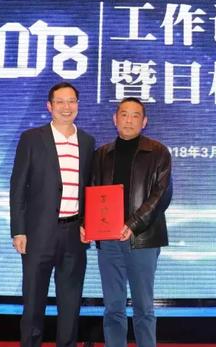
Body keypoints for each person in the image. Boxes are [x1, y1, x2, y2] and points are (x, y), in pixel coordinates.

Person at [10, 82, 95, 347]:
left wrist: (89, 224)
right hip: (38, 233)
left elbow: (90, 189)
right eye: (60, 101)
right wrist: (18, 230)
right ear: (49, 106)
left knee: (70, 302)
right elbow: (18, 186)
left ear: (78, 105)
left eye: (71, 101)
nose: (66, 107)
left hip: (74, 235)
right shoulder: (32, 138)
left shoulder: (87, 142)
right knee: (33, 302)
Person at [85, 97, 172, 347]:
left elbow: (161, 195)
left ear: (144, 122)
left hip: (143, 239)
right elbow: (92, 192)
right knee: (113, 307)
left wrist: (133, 224)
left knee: (144, 307)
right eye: (124, 114)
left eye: (135, 115)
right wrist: (87, 224)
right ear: (115, 119)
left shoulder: (158, 152)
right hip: (109, 241)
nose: (129, 120)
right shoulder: (101, 154)